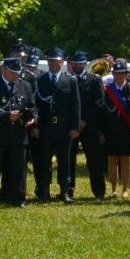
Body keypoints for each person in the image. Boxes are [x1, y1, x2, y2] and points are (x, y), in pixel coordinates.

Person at [0, 57, 36, 207]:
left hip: (18, 134)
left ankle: (17, 198)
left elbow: (32, 105)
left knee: (18, 169)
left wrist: (33, 119)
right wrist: (6, 116)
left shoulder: (25, 85)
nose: (15, 76)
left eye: (17, 72)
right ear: (4, 70)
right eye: (12, 72)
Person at [32, 48, 82, 203]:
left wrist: (74, 127)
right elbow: (35, 105)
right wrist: (36, 126)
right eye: (51, 61)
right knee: (44, 161)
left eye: (56, 61)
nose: (53, 63)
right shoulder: (40, 80)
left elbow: (76, 105)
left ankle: (65, 192)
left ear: (62, 62)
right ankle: (44, 191)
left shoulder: (71, 80)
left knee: (64, 162)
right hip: (46, 127)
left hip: (63, 128)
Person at [68, 52, 107, 200]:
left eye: (80, 63)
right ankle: (68, 191)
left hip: (90, 128)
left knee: (94, 161)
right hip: (72, 128)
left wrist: (83, 121)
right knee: (69, 161)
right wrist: (74, 124)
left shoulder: (94, 80)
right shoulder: (68, 80)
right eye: (75, 63)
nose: (77, 66)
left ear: (86, 64)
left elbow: (99, 104)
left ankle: (99, 192)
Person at [100, 60, 130, 199]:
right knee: (112, 160)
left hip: (127, 131)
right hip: (111, 130)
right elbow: (102, 113)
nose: (119, 76)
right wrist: (102, 132)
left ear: (126, 74)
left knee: (125, 160)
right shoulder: (107, 90)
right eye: (116, 73)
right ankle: (114, 189)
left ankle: (125, 189)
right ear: (113, 74)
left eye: (122, 73)